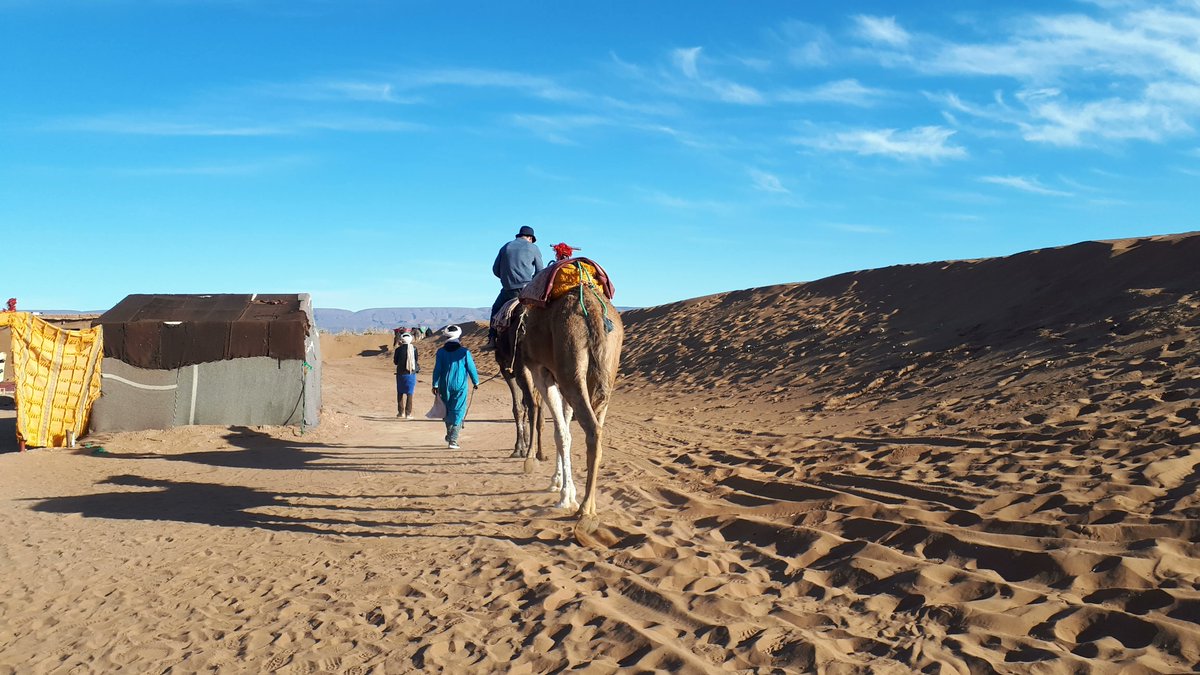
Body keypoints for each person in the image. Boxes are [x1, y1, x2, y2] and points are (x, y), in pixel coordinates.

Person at [486, 225, 543, 350]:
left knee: (496, 309)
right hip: (526, 290)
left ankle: (492, 338)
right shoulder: (533, 248)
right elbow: (540, 271)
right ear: (530, 238)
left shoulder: (506, 247)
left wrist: (506, 278)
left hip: (507, 290)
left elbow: (495, 270)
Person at [431, 325, 479, 449]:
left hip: (444, 385)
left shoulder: (441, 352)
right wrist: (476, 381)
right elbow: (471, 368)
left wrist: (435, 384)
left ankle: (449, 433)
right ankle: (453, 439)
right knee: (458, 410)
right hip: (460, 386)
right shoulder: (464, 352)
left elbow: (437, 369)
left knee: (446, 409)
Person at [393, 331, 420, 418]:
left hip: (400, 373)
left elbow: (395, 362)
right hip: (411, 373)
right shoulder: (414, 349)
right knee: (410, 393)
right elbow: (416, 360)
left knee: (400, 392)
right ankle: (408, 413)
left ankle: (401, 412)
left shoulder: (398, 350)